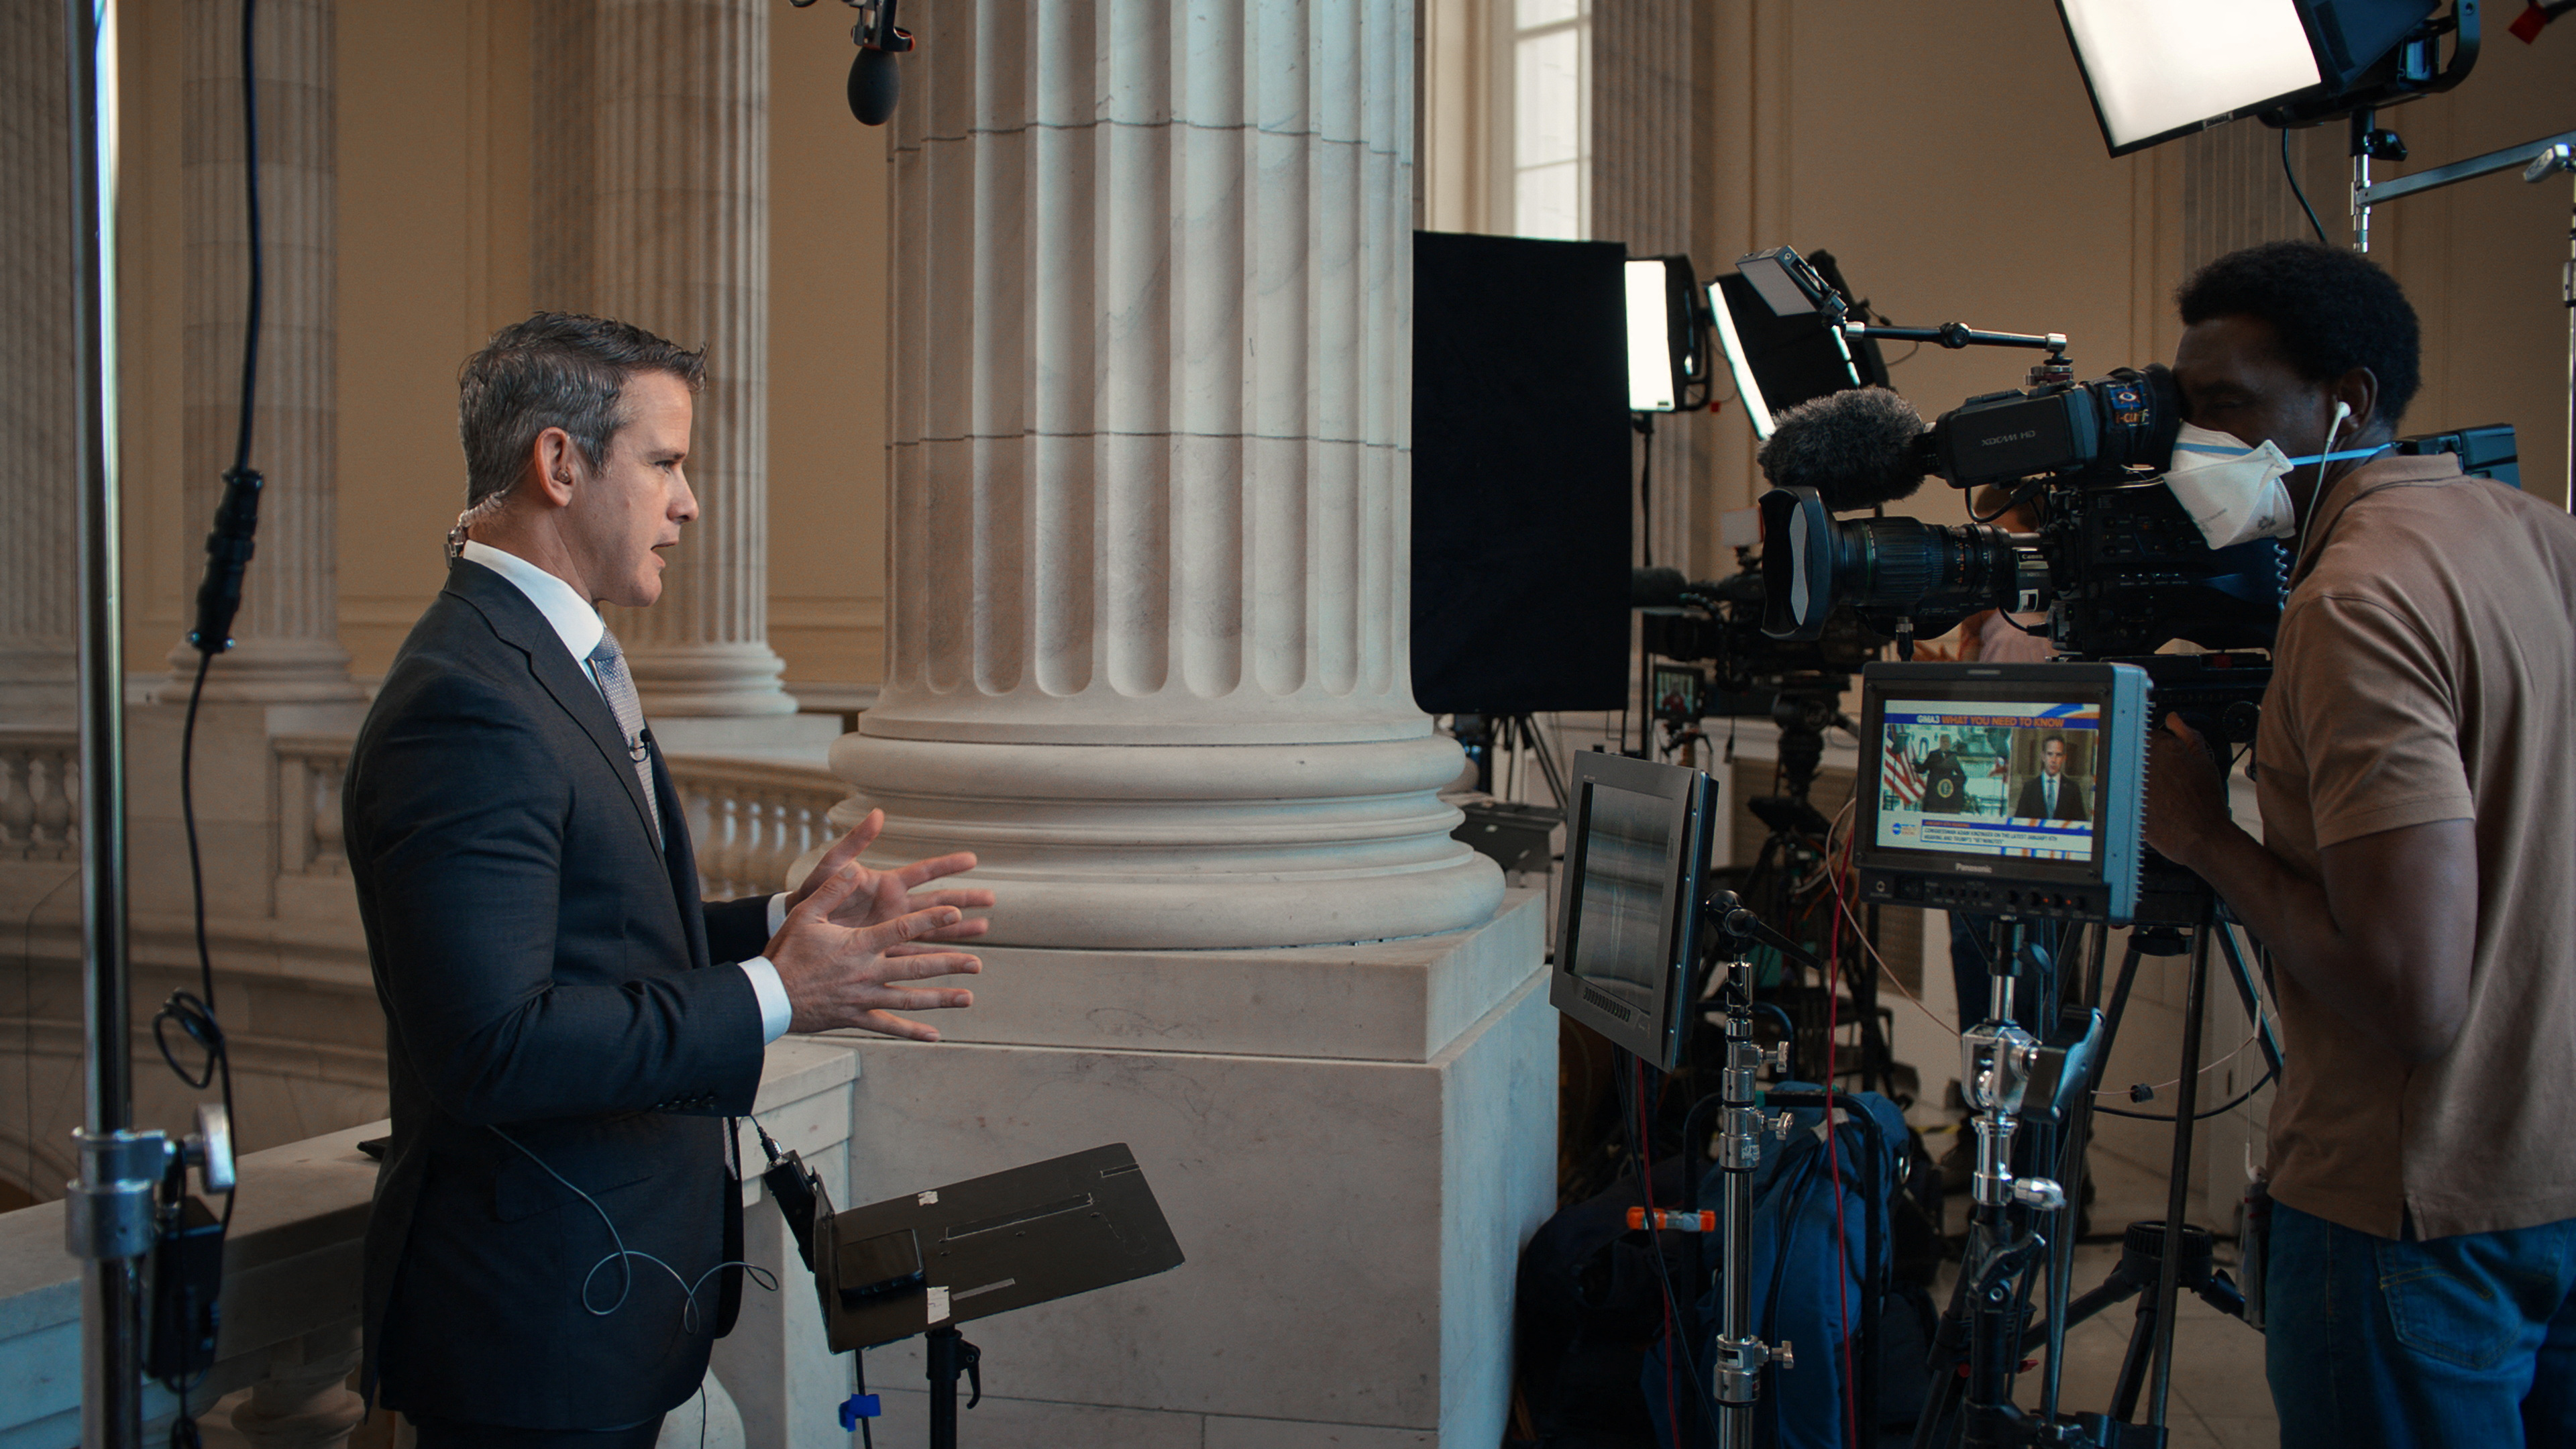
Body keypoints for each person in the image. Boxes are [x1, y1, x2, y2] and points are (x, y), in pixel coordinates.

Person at [343, 313, 994, 1446]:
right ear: (559, 463)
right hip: (532, 1337)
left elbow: (593, 942)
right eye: (665, 464)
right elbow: (491, 1044)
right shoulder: (469, 700)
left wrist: (779, 926)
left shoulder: (548, 657)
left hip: (601, 1305)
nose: (688, 505)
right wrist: (776, 994)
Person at [2141, 241, 2576, 1447]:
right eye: (2189, 411)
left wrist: (2196, 831)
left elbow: (2408, 988)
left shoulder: (2352, 602)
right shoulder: (2544, 539)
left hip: (2409, 1217)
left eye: (2228, 404)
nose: (2200, 443)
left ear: (2349, 401)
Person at [2010, 736, 2088, 821]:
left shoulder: (2073, 789)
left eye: (2058, 755)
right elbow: (2019, 822)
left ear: (2064, 758)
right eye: (2050, 754)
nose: (2054, 760)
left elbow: (2080, 823)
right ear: (2043, 756)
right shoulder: (2030, 788)